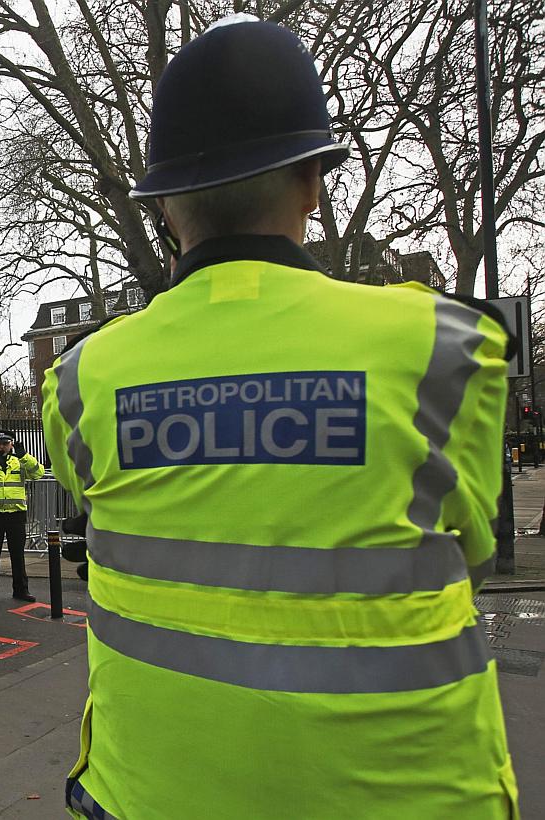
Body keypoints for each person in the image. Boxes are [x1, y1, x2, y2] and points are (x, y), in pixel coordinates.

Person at [42, 17, 517, 819]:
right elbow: (468, 555)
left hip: (145, 792)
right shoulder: (448, 349)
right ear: (314, 182)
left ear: (164, 211)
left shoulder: (84, 378)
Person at [0, 431, 44, 603]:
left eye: (5, 443)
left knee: (18, 554)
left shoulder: (19, 461)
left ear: (11, 444)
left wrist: (25, 456)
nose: (2, 446)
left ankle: (21, 590)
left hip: (16, 513)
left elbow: (38, 473)